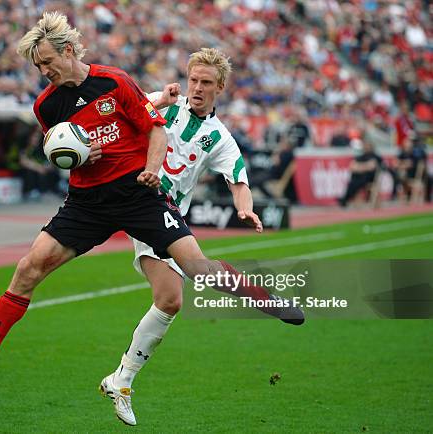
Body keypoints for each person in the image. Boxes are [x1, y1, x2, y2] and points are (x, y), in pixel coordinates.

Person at [0, 12, 303, 422]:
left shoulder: (114, 81)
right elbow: (64, 147)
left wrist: (154, 171)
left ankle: (265, 300)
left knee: (196, 271)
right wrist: (77, 158)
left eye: (47, 62)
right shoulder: (47, 105)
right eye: (37, 66)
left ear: (68, 51)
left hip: (139, 195)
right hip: (87, 201)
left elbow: (155, 130)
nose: (43, 72)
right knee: (28, 268)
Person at [102, 48, 303, 426]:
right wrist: (160, 98)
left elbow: (238, 178)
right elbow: (120, 110)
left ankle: (120, 380)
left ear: (220, 88)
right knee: (194, 276)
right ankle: (266, 300)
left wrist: (245, 207)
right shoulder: (165, 107)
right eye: (193, 80)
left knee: (171, 300)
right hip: (141, 206)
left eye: (206, 83)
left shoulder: (220, 137)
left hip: (169, 216)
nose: (196, 88)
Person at [338, 139, 382, 207]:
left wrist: (360, 167)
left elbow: (372, 166)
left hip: (370, 178)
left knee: (355, 182)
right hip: (359, 177)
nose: (366, 147)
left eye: (367, 145)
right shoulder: (361, 156)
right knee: (352, 182)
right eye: (365, 145)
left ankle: (344, 199)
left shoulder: (375, 156)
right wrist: (364, 167)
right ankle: (344, 199)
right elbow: (352, 166)